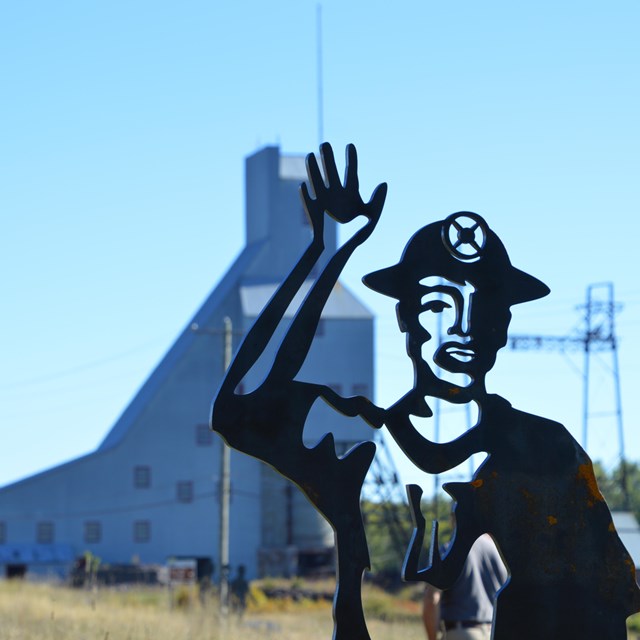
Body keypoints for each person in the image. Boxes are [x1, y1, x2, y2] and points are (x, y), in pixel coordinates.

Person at [363, 212, 640, 638]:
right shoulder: (370, 428)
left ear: (502, 329)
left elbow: (614, 572)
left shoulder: (548, 444)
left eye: (484, 311)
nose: (463, 330)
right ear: (406, 320)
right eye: (438, 306)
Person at [211, 143, 386, 640]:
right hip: (266, 425)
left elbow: (284, 335)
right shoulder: (258, 418)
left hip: (266, 427)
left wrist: (329, 249)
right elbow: (287, 334)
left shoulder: (253, 420)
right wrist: (331, 249)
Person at [423, 534, 507, 640]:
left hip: (462, 632)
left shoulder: (449, 550)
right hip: (493, 632)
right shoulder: (498, 550)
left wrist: (432, 638)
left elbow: (432, 599)